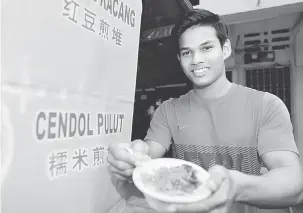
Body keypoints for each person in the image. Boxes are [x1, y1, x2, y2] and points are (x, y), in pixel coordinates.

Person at [107, 9, 303, 213]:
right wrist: (132, 156)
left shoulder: (266, 105)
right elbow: (147, 156)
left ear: (225, 49)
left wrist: (237, 186)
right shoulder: (168, 110)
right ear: (179, 58)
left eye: (207, 48)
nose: (196, 59)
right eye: (186, 52)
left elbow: (292, 182)